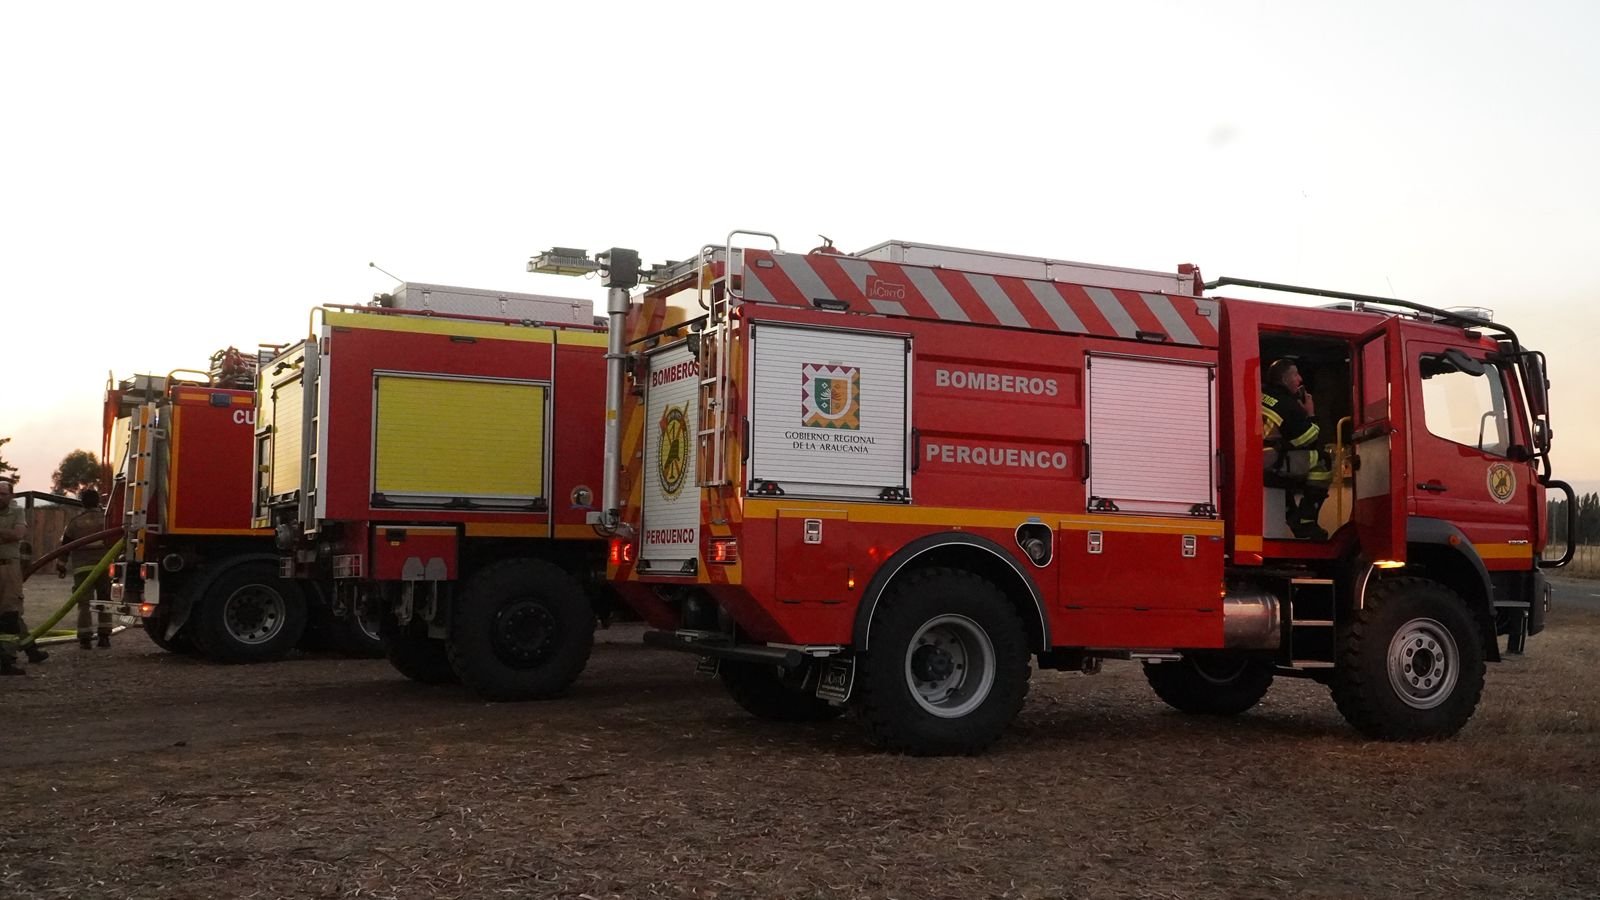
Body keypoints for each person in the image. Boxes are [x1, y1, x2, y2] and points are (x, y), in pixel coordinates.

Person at [1261, 358, 1333, 540]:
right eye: (1295, 374)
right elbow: (1307, 438)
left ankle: (1290, 512)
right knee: (1323, 461)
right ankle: (1305, 521)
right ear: (1285, 380)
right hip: (1270, 461)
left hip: (1257, 457)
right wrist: (1310, 414)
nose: (1300, 379)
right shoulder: (1287, 405)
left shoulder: (1261, 393)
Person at [1, 476, 47, 675]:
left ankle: (7, 659)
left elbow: (18, 535)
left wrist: (7, 534)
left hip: (8, 568)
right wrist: (6, 533)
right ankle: (30, 650)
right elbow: (11, 534)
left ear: (11, 496)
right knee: (9, 613)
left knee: (10, 612)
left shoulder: (17, 511)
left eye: (2, 494)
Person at [59, 486, 114, 649]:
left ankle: (85, 638)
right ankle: (104, 637)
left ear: (82, 503)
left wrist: (61, 565)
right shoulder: (107, 520)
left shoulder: (75, 523)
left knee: (84, 603)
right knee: (105, 600)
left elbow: (65, 546)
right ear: (98, 502)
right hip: (104, 567)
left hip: (82, 569)